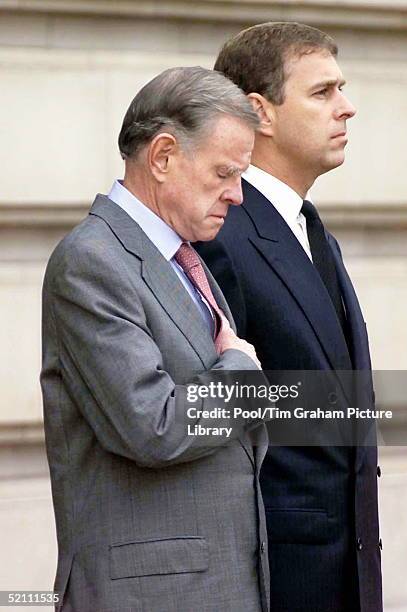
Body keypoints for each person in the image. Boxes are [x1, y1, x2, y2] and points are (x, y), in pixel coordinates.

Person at [40, 66, 271, 612]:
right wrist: (241, 372)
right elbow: (153, 425)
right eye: (225, 173)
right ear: (164, 156)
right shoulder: (92, 261)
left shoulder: (182, 255)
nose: (237, 195)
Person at [196, 22, 382, 612]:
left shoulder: (308, 228)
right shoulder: (221, 233)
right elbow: (213, 421)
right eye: (323, 92)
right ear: (260, 113)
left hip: (341, 575)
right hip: (278, 578)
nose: (347, 108)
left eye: (342, 89)